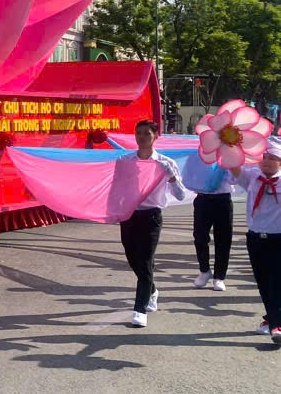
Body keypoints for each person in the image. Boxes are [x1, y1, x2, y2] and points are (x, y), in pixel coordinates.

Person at [118, 119, 188, 328]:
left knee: (146, 259)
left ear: (156, 136)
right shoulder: (125, 160)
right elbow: (116, 188)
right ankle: (153, 289)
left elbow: (181, 194)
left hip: (151, 216)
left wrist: (172, 177)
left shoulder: (165, 163)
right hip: (129, 215)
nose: (142, 137)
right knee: (133, 259)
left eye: (146, 133)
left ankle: (139, 309)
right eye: (138, 133)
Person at [229, 137, 281, 344]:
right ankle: (271, 319)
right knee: (263, 283)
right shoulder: (252, 177)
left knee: (277, 282)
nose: (266, 161)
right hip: (255, 238)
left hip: (279, 238)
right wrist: (227, 142)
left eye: (272, 158)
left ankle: (276, 324)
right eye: (264, 157)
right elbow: (232, 166)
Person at [183, 153, 234, 291]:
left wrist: (226, 166)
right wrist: (200, 185)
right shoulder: (195, 156)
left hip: (222, 199)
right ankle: (204, 270)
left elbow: (234, 179)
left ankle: (219, 277)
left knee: (223, 239)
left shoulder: (226, 155)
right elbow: (187, 176)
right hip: (203, 199)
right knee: (199, 237)